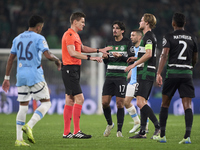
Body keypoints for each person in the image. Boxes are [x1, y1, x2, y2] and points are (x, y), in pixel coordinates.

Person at [2, 15, 61, 147]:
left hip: (21, 76)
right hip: (35, 75)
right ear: (39, 27)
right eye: (41, 27)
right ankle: (30, 125)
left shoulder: (17, 38)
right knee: (47, 103)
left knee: (23, 107)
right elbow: (47, 55)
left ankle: (18, 139)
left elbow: (10, 59)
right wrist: (57, 60)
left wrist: (6, 78)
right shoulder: (39, 38)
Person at [62, 12, 112, 139]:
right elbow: (72, 53)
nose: (84, 24)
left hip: (73, 69)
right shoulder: (69, 34)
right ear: (75, 21)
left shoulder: (76, 36)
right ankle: (76, 131)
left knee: (70, 99)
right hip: (70, 69)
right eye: (82, 22)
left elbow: (82, 48)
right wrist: (92, 58)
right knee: (80, 99)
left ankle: (67, 132)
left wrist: (99, 50)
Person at [153, 12, 198, 144]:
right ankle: (187, 137)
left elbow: (164, 54)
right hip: (186, 74)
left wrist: (159, 73)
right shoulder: (192, 37)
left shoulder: (169, 36)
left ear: (173, 23)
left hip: (172, 73)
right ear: (184, 23)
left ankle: (162, 136)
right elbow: (195, 57)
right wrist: (190, 68)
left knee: (165, 104)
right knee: (187, 105)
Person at [125, 13, 160, 139]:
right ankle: (142, 132)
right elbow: (147, 54)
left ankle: (157, 126)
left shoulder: (148, 37)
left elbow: (149, 54)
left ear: (147, 23)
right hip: (146, 72)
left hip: (145, 72)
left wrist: (134, 65)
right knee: (143, 102)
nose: (140, 22)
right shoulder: (148, 37)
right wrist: (135, 58)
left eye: (141, 20)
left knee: (140, 102)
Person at [102, 21, 135, 137]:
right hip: (109, 76)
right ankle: (110, 124)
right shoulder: (109, 42)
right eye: (113, 28)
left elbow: (132, 59)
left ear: (122, 31)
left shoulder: (127, 42)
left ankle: (119, 130)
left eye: (117, 28)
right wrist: (105, 57)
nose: (114, 30)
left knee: (120, 104)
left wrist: (121, 56)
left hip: (121, 77)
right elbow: (106, 61)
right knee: (104, 102)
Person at [124, 29, 149, 134]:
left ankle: (146, 126)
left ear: (139, 37)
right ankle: (137, 122)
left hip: (141, 80)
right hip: (132, 81)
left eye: (133, 35)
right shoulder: (132, 49)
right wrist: (126, 76)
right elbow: (133, 67)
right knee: (126, 102)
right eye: (130, 35)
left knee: (142, 104)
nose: (131, 37)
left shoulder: (143, 49)